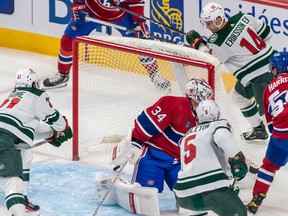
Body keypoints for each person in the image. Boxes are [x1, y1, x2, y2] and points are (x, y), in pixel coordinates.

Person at [185, 2, 276, 142]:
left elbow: (208, 61)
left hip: (261, 77)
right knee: (238, 95)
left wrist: (197, 43)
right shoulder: (242, 17)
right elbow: (267, 33)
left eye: (209, 23)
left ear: (219, 20)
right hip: (273, 65)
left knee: (273, 119)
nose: (208, 27)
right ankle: (258, 130)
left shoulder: (217, 42)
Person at [112, 78, 213, 193]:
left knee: (190, 193)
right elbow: (149, 122)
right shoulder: (177, 104)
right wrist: (135, 140)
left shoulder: (201, 118)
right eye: (206, 94)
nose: (208, 98)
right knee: (146, 192)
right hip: (154, 155)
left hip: (178, 162)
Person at [43, 0, 170, 90]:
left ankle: (154, 74)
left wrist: (139, 20)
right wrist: (78, 5)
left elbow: (135, 2)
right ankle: (62, 75)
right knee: (67, 41)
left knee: (142, 44)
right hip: (91, 13)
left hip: (121, 16)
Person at [0, 69, 73, 216]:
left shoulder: (13, 98)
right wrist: (63, 128)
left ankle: (23, 198)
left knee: (25, 154)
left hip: (6, 134)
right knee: (12, 181)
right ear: (33, 83)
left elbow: (26, 127)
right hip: (3, 138)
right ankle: (18, 209)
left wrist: (51, 134)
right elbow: (56, 121)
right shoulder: (36, 95)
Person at [173, 100, 248, 216]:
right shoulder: (218, 125)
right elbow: (223, 138)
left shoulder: (187, 135)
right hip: (211, 190)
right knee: (240, 213)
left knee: (199, 207)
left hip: (183, 196)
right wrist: (237, 159)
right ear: (217, 113)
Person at [247, 51, 288, 214]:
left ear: (276, 69)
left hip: (280, 135)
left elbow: (270, 125)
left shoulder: (267, 90)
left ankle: (256, 200)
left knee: (268, 167)